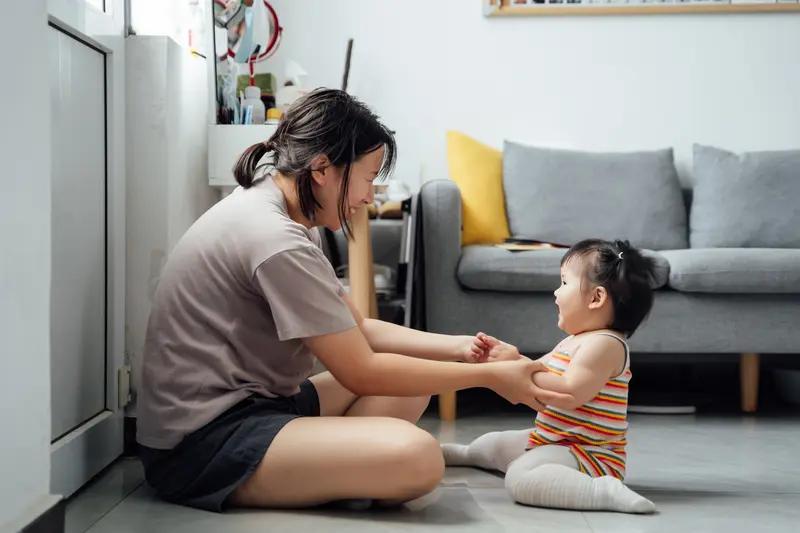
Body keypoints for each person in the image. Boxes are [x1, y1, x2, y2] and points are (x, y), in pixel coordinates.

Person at [135, 88, 566, 512]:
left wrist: (466, 351)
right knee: (418, 457)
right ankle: (339, 468)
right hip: (201, 443)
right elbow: (362, 371)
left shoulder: (280, 209)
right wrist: (489, 379)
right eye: (366, 178)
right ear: (323, 168)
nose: (368, 196)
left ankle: (333, 466)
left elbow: (356, 327)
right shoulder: (275, 238)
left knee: (411, 390)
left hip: (257, 403)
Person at [442, 239, 658, 514]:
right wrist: (511, 359)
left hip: (589, 453)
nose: (556, 293)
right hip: (553, 440)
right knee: (496, 443)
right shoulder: (574, 340)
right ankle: (467, 454)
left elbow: (570, 392)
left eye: (564, 283)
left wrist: (515, 367)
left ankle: (602, 490)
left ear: (596, 298)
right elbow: (535, 372)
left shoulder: (605, 344)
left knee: (520, 478)